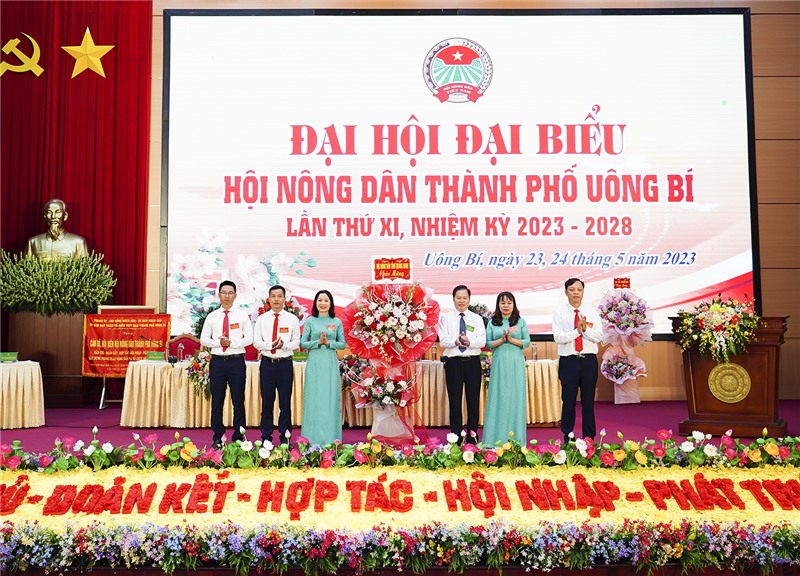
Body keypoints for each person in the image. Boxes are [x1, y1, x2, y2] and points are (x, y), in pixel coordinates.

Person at [199, 280, 253, 449]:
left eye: (230, 293)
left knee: (238, 400)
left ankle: (238, 437)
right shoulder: (212, 316)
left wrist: (232, 343)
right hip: (217, 362)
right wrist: (219, 342)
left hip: (236, 361)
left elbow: (249, 338)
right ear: (219, 295)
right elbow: (203, 339)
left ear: (235, 295)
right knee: (217, 401)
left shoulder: (242, 315)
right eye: (224, 292)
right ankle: (218, 437)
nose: (227, 296)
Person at [552, 277, 602, 442]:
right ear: (566, 292)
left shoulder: (592, 311)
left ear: (583, 292)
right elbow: (558, 337)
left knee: (588, 402)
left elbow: (599, 336)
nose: (576, 293)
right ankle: (568, 438)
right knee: (568, 401)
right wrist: (577, 331)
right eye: (572, 290)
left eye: (579, 290)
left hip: (588, 361)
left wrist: (586, 329)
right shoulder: (560, 312)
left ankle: (589, 439)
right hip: (569, 362)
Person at [437, 285, 486, 443]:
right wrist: (455, 342)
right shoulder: (446, 318)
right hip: (454, 363)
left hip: (472, 363)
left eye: (465, 298)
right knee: (455, 401)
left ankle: (472, 438)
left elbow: (482, 341)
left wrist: (469, 342)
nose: (461, 301)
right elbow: (443, 341)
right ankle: (455, 438)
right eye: (458, 298)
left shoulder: (476, 319)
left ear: (469, 299)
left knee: (473, 401)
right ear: (453, 299)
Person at [254, 284, 301, 445]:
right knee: (267, 403)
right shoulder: (261, 319)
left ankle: (285, 439)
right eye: (273, 296)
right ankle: (266, 438)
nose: (276, 299)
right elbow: (256, 342)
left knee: (285, 404)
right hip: (267, 364)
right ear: (268, 299)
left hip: (285, 365)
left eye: (279, 296)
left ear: (284, 299)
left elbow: (296, 341)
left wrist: (284, 346)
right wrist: (270, 345)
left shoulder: (292, 319)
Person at [482, 291, 529, 446]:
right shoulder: (492, 322)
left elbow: (526, 342)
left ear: (514, 304)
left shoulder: (520, 321)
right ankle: (494, 440)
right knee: (498, 396)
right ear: (498, 305)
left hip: (516, 362)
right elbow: (487, 344)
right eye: (503, 303)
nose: (506, 306)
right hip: (499, 362)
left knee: (515, 397)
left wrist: (511, 340)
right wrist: (502, 340)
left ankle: (516, 441)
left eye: (509, 302)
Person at [300, 290, 346, 445]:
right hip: (314, 363)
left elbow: (342, 344)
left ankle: (331, 440)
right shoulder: (310, 321)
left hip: (330, 363)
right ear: (315, 303)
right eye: (320, 300)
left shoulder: (337, 322)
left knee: (330, 400)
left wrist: (329, 343)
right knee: (314, 399)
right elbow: (303, 343)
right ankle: (311, 440)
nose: (323, 303)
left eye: (326, 300)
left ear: (331, 303)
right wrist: (318, 342)